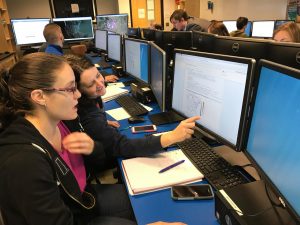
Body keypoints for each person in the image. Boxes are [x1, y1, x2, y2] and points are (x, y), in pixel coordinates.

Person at [0, 52, 191, 225]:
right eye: (70, 89)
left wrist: (92, 148)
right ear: (39, 96)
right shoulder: (23, 161)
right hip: (76, 214)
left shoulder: (61, 122)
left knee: (149, 202)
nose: (78, 94)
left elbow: (98, 161)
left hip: (83, 200)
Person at [63, 54, 200, 174]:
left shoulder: (90, 102)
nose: (101, 83)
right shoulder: (88, 116)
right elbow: (123, 146)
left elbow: (93, 123)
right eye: (91, 84)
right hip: (101, 159)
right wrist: (171, 137)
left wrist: (102, 124)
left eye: (98, 75)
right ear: (78, 90)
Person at [43, 23, 119, 83]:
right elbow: (78, 79)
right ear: (60, 36)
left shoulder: (49, 51)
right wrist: (103, 78)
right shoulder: (58, 59)